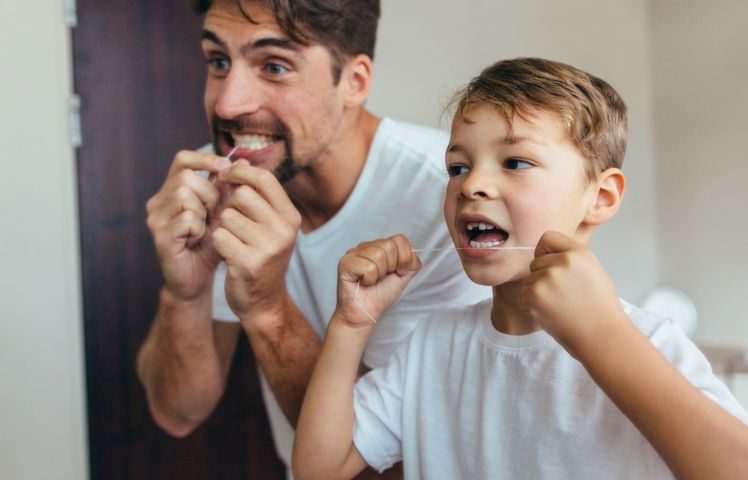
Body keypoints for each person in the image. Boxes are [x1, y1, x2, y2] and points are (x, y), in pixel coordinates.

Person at [292, 57, 748, 479]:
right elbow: (320, 468)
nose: (471, 186)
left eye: (514, 163)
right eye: (457, 167)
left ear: (600, 197)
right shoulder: (431, 346)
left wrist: (601, 337)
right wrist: (351, 325)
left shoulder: (646, 341)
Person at [136, 0, 489, 475]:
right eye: (219, 62)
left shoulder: (452, 204)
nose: (227, 104)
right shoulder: (216, 184)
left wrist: (267, 309)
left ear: (354, 82)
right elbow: (177, 413)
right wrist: (185, 291)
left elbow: (402, 468)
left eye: (275, 66)